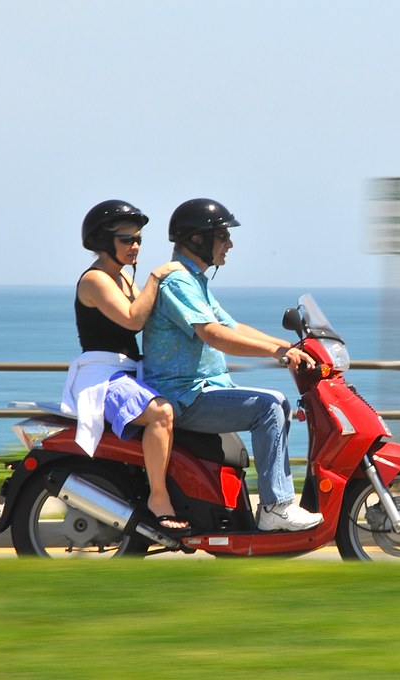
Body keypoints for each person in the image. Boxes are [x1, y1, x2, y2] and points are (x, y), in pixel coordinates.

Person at [142, 198, 324, 532]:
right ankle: (276, 507)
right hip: (186, 395)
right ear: (198, 239)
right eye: (222, 235)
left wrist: (288, 346)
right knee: (270, 407)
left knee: (273, 405)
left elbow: (233, 327)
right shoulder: (179, 282)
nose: (230, 243)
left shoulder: (195, 281)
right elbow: (213, 335)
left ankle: (274, 505)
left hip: (203, 390)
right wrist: (277, 354)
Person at [60, 199, 189, 536]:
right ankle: (158, 499)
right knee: (161, 413)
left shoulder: (123, 280)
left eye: (138, 240)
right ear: (104, 241)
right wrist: (158, 275)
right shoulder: (96, 280)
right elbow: (132, 320)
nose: (135, 246)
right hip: (103, 375)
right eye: (126, 239)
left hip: (129, 371)